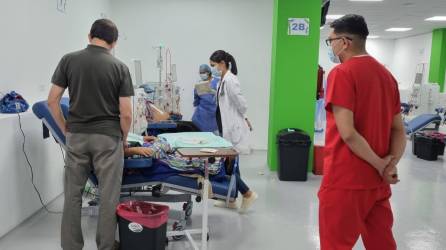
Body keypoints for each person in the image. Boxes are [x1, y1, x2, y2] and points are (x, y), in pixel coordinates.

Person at [319, 14, 406, 250]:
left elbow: (347, 133)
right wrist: (390, 164)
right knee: (382, 244)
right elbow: (399, 130)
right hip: (377, 185)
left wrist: (380, 164)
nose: (331, 46)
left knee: (335, 245)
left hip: (346, 181)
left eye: (331, 41)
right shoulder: (387, 77)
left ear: (344, 42)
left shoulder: (342, 74)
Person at [47, 19, 134, 250]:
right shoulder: (120, 67)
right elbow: (126, 114)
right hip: (108, 139)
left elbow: (52, 100)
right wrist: (123, 138)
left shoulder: (68, 60)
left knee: (73, 195)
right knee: (108, 196)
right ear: (114, 42)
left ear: (89, 36)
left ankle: (71, 246)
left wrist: (65, 126)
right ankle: (105, 245)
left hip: (76, 136)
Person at [124, 134, 257, 213]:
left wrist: (143, 139)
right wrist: (134, 150)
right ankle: (246, 193)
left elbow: (158, 147)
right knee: (208, 163)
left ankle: (245, 193)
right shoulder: (131, 152)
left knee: (211, 161)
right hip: (170, 162)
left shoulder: (130, 142)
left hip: (170, 158)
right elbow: (153, 152)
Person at [210, 50, 257, 212]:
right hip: (225, 126)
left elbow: (241, 103)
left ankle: (247, 194)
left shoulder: (230, 80)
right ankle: (230, 198)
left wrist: (244, 117)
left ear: (222, 63)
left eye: (213, 65)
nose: (213, 69)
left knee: (229, 165)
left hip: (232, 128)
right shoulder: (222, 80)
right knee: (230, 165)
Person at [192, 64, 219, 133]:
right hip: (201, 115)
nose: (202, 75)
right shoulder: (199, 84)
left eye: (203, 73)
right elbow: (196, 100)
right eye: (200, 73)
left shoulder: (217, 82)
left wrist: (214, 92)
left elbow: (223, 95)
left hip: (213, 114)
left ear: (208, 72)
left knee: (214, 137)